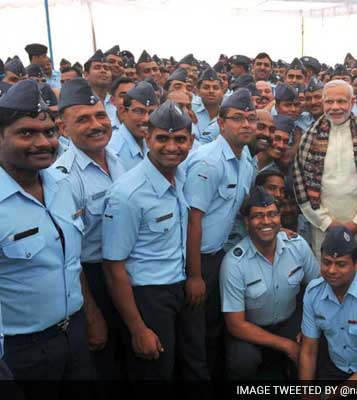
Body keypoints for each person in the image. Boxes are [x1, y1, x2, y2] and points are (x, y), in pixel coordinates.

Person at [102, 99, 208, 380]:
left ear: (191, 141)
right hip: (148, 295)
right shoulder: (127, 194)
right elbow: (113, 268)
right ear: (147, 137)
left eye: (180, 140)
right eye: (162, 138)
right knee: (156, 374)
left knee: (195, 366)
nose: (172, 147)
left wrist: (193, 276)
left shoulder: (184, 177)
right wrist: (138, 328)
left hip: (181, 285)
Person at [0, 80, 93, 383]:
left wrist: (91, 315)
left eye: (49, 132)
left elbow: (70, 262)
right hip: (22, 352)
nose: (43, 142)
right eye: (26, 133)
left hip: (75, 334)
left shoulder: (62, 185)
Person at [52, 77, 126, 379]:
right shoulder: (62, 178)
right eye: (82, 119)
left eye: (100, 116)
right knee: (104, 365)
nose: (96, 125)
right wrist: (91, 313)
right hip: (92, 278)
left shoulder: (117, 159)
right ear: (63, 129)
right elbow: (70, 254)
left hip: (123, 273)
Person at [183, 88, 257, 379]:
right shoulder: (208, 161)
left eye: (250, 118)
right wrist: (194, 275)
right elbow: (193, 221)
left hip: (220, 256)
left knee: (214, 330)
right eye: (238, 118)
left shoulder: (245, 158)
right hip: (197, 258)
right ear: (221, 124)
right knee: (195, 338)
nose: (246, 124)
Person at [220, 187, 319, 379]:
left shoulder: (297, 246)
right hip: (251, 330)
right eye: (258, 216)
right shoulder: (234, 263)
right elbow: (235, 325)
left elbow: (318, 289)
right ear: (247, 223)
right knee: (243, 361)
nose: (266, 221)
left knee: (315, 345)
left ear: (279, 218)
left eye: (272, 214)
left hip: (289, 321)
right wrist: (286, 344)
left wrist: (308, 327)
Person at [293, 79, 357, 272]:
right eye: (329, 102)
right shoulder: (310, 137)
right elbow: (301, 188)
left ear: (352, 102)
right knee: (328, 279)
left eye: (341, 102)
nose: (335, 107)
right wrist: (326, 223)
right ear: (322, 103)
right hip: (323, 226)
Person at [299, 226, 357, 381]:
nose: (332, 270)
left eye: (340, 264)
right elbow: (309, 350)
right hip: (334, 368)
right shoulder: (313, 293)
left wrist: (338, 393)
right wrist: (306, 391)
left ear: (356, 263)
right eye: (326, 262)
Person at [108, 82, 159, 171]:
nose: (147, 119)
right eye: (139, 111)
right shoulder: (113, 151)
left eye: (152, 113)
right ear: (124, 112)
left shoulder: (151, 143)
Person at [192, 67, 223, 145]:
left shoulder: (227, 113)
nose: (211, 91)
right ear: (198, 91)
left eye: (216, 88)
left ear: (222, 92)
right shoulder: (190, 108)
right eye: (206, 87)